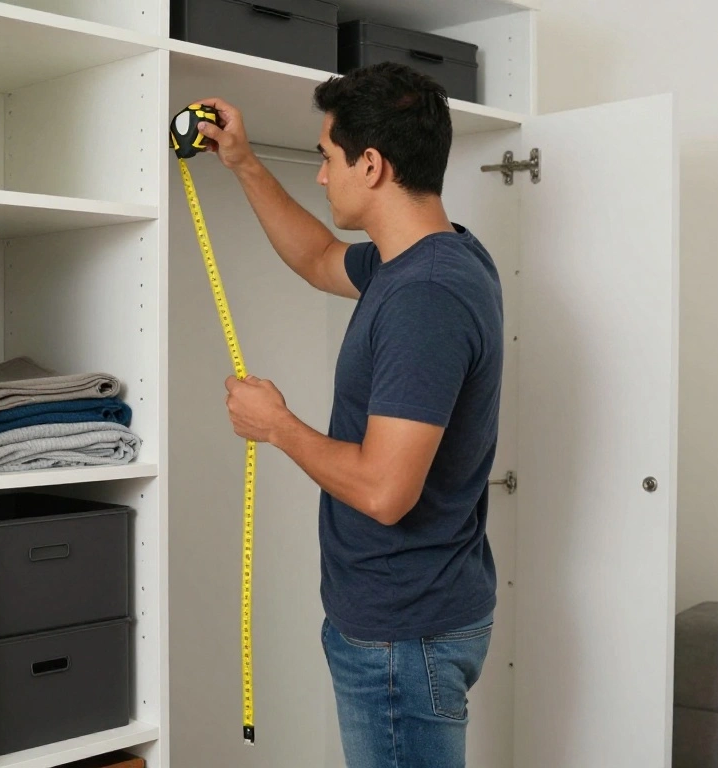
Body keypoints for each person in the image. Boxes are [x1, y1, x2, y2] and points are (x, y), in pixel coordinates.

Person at [195, 61, 503, 768]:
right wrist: (242, 164)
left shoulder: (426, 295)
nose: (321, 176)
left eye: (328, 158)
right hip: (410, 621)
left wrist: (277, 425)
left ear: (372, 164)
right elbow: (319, 257)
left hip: (404, 635)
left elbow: (384, 491)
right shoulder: (427, 260)